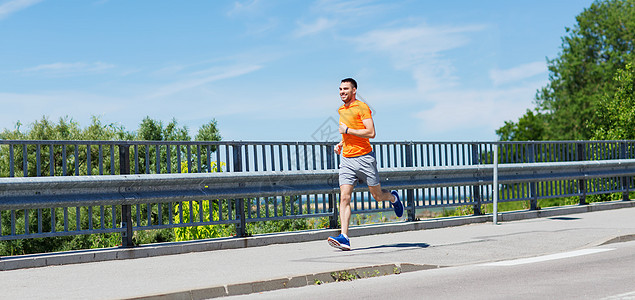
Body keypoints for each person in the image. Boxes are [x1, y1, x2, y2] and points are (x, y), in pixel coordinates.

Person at [327, 78, 403, 251]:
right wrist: (342, 142)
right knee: (344, 196)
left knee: (377, 195)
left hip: (365, 158)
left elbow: (371, 132)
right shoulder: (341, 109)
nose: (342, 92)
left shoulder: (362, 107)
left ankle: (393, 198)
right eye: (340, 89)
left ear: (354, 90)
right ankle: (344, 237)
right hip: (347, 159)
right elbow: (348, 133)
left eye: (345, 89)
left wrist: (347, 131)